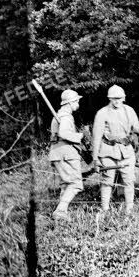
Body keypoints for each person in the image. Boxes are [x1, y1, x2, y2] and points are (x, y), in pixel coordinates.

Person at [91, 85, 139, 216]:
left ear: (123, 98)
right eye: (113, 99)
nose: (116, 101)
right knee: (107, 181)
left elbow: (137, 128)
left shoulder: (129, 111)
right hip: (108, 152)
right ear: (109, 99)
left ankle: (129, 210)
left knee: (129, 181)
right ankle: (105, 209)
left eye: (119, 98)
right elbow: (96, 137)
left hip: (126, 152)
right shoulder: (102, 113)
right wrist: (95, 159)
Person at [48, 89, 84, 221]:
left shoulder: (58, 115)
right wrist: (79, 136)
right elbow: (63, 133)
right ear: (71, 102)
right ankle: (60, 210)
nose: (78, 103)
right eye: (77, 100)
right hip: (66, 154)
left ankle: (61, 215)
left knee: (66, 184)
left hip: (57, 153)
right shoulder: (67, 116)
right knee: (75, 184)